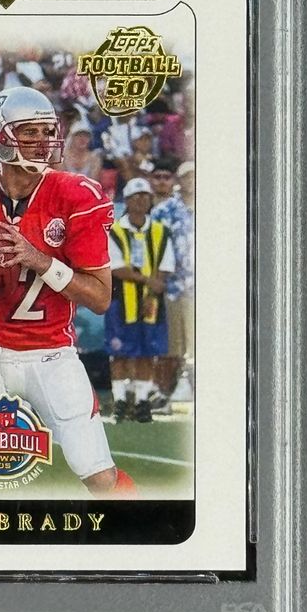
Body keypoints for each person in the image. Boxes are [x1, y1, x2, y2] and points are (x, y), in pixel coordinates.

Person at [0, 86, 136, 499]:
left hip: (49, 353)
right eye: (29, 132)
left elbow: (100, 298)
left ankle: (145, 534)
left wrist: (40, 260)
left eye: (48, 131)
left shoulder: (76, 195)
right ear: (0, 137)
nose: (43, 141)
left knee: (98, 474)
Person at [105, 177, 175, 423]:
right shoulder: (114, 231)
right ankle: (120, 401)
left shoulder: (160, 231)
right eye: (136, 196)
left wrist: (152, 293)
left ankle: (142, 402)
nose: (141, 200)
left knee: (147, 352)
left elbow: (165, 266)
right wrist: (148, 282)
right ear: (126, 200)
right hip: (121, 301)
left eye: (145, 196)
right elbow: (116, 268)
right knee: (120, 354)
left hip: (151, 303)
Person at [151, 161, 195, 400]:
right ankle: (174, 387)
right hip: (173, 286)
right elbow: (152, 247)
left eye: (194, 176)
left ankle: (194, 385)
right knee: (175, 341)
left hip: (204, 286)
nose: (191, 181)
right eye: (186, 176)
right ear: (179, 180)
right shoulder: (164, 210)